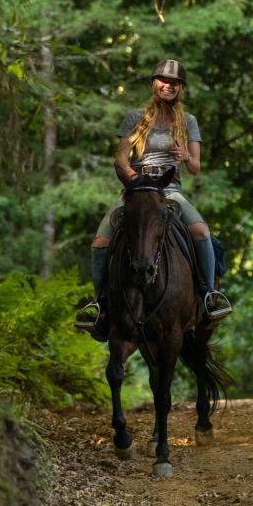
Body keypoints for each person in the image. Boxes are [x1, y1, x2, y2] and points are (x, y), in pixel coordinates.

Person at [75, 59, 233, 340]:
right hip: (137, 187)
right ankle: (99, 303)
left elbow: (195, 167)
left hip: (169, 189)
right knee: (100, 240)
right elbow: (121, 158)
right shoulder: (135, 118)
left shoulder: (189, 122)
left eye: (174, 83)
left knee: (200, 230)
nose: (168, 86)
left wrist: (184, 156)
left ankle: (209, 295)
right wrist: (128, 176)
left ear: (180, 88)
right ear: (154, 83)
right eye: (163, 80)